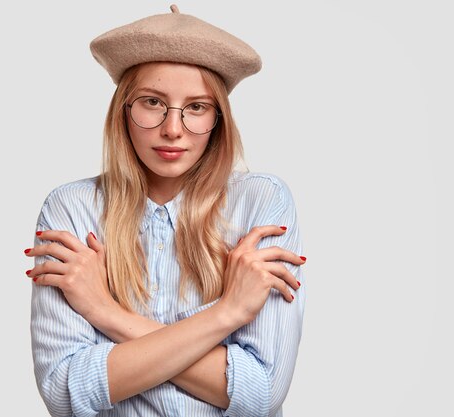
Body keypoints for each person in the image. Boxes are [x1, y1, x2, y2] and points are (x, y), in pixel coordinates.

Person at [24, 5, 307, 417]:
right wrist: (227, 317)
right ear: (123, 110)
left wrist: (105, 313)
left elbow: (260, 395)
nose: (172, 128)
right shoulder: (71, 210)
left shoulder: (261, 202)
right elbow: (65, 394)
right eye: (153, 102)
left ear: (218, 120)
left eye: (195, 107)